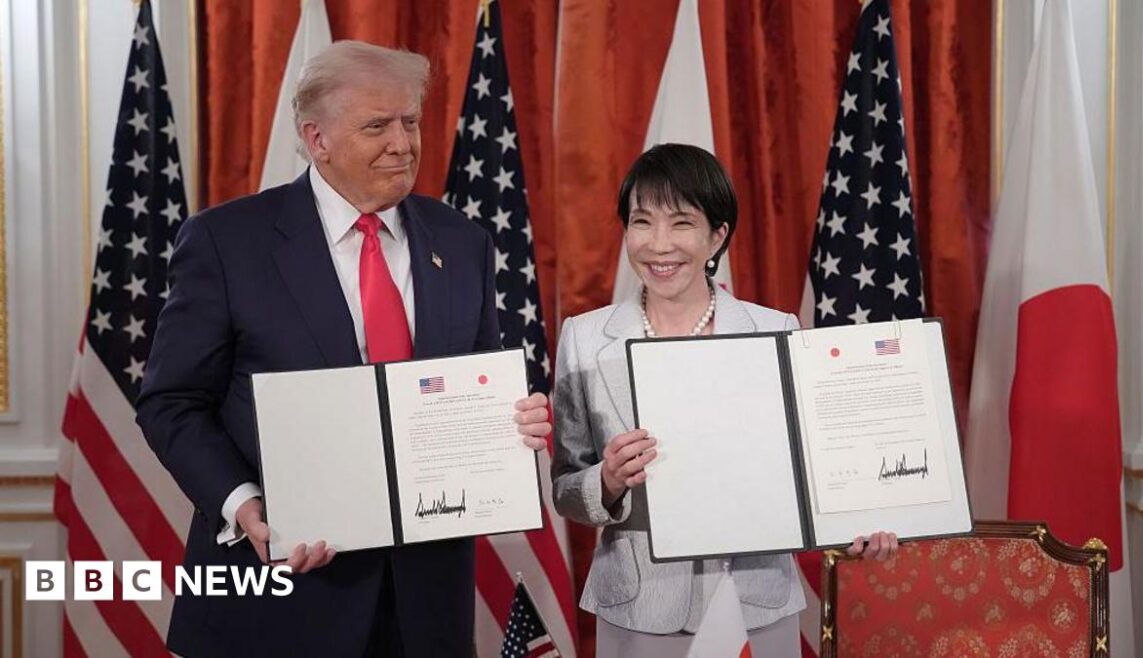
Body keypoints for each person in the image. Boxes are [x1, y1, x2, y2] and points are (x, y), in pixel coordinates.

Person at [136, 41, 551, 657]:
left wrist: (513, 420)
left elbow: (475, 383)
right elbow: (170, 402)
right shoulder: (227, 242)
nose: (402, 143)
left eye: (410, 121)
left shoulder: (463, 242)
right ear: (317, 138)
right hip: (278, 596)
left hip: (425, 605)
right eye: (377, 126)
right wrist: (243, 504)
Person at [551, 143, 898, 656]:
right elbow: (564, 486)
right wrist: (607, 481)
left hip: (756, 604)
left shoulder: (776, 330)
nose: (659, 245)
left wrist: (858, 523)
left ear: (717, 235)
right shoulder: (583, 338)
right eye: (642, 222)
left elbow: (813, 472)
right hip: (638, 609)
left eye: (682, 224)